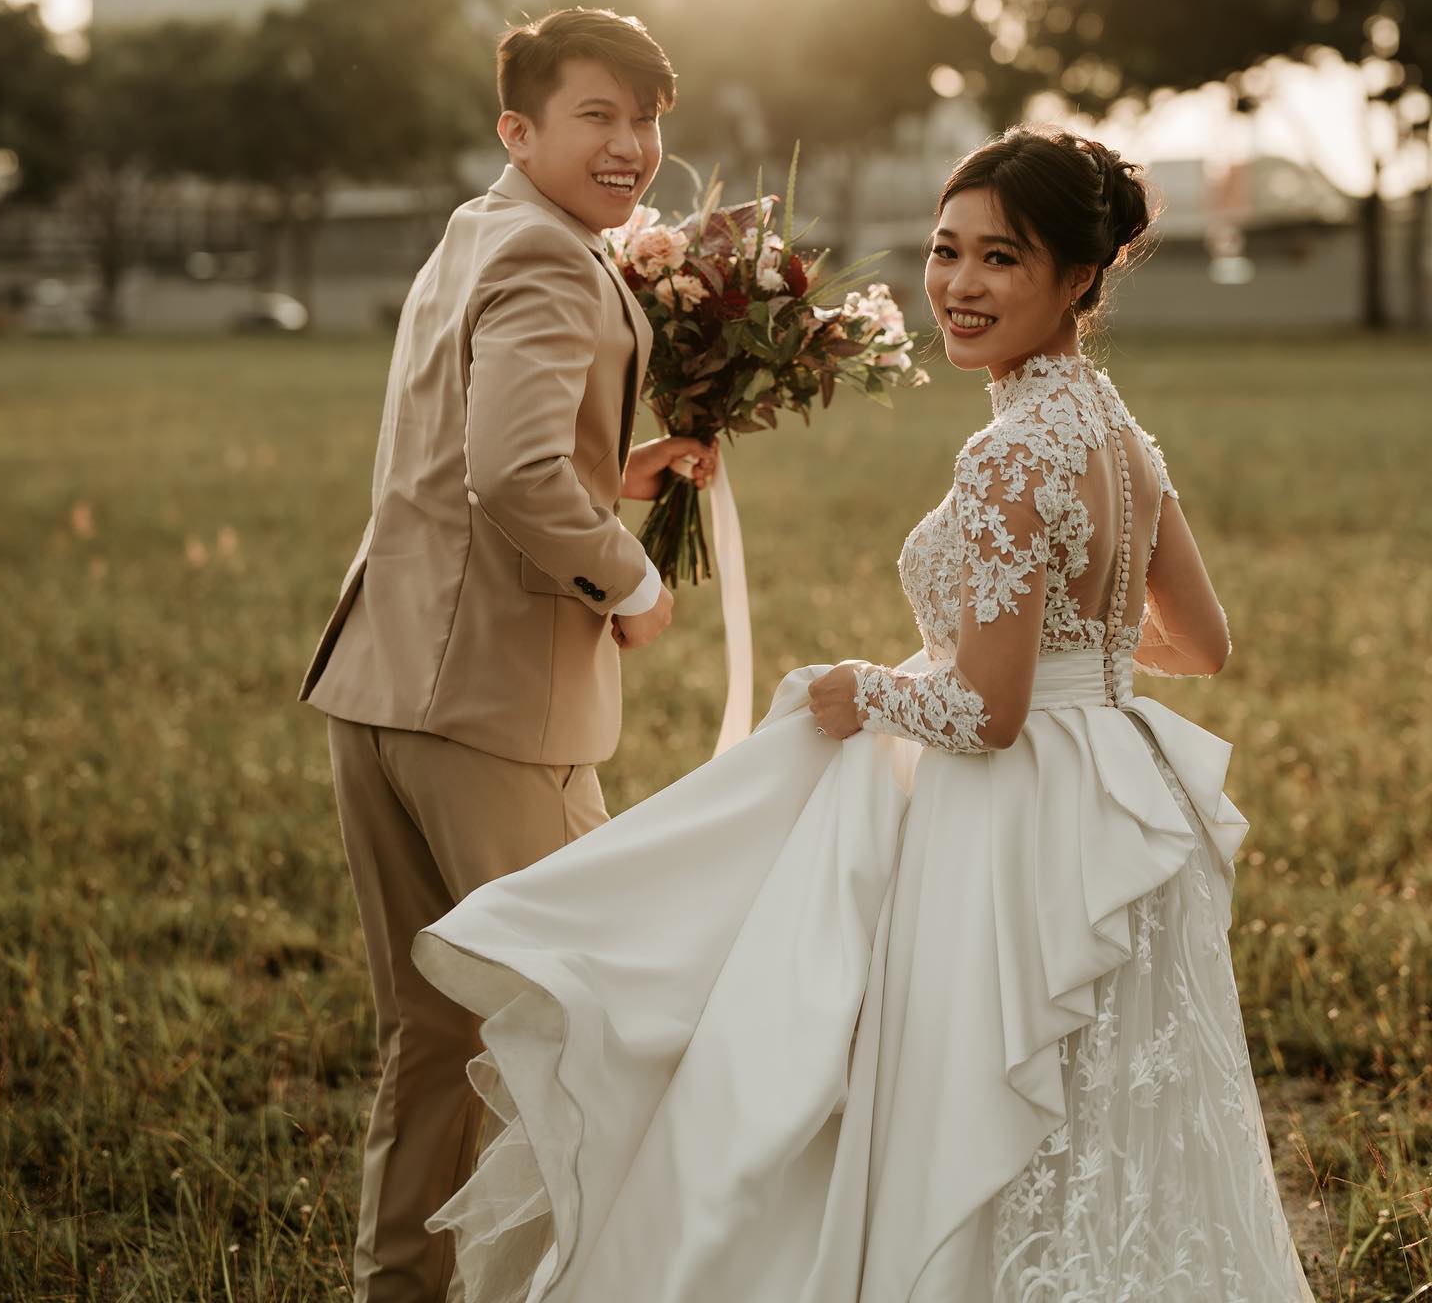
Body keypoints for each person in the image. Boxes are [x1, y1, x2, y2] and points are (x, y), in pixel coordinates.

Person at [412, 125, 1314, 1302]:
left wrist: (855, 689)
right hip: (1120, 791)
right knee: (1111, 1123)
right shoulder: (1121, 442)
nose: (962, 285)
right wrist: (1067, 658)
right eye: (948, 252)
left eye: (1003, 258)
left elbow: (986, 714)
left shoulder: (1009, 459)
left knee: (982, 1108)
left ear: (1079, 279)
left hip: (1014, 824)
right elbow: (1198, 643)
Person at [300, 6, 717, 1302]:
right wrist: (633, 578)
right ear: (519, 129)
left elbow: (463, 445)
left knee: (433, 1036)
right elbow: (514, 472)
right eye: (598, 116)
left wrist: (629, 469)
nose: (632, 145)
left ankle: (402, 1288)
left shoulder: (477, 233)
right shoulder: (549, 258)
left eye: (647, 119)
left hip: (382, 692)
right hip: (491, 713)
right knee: (593, 1021)